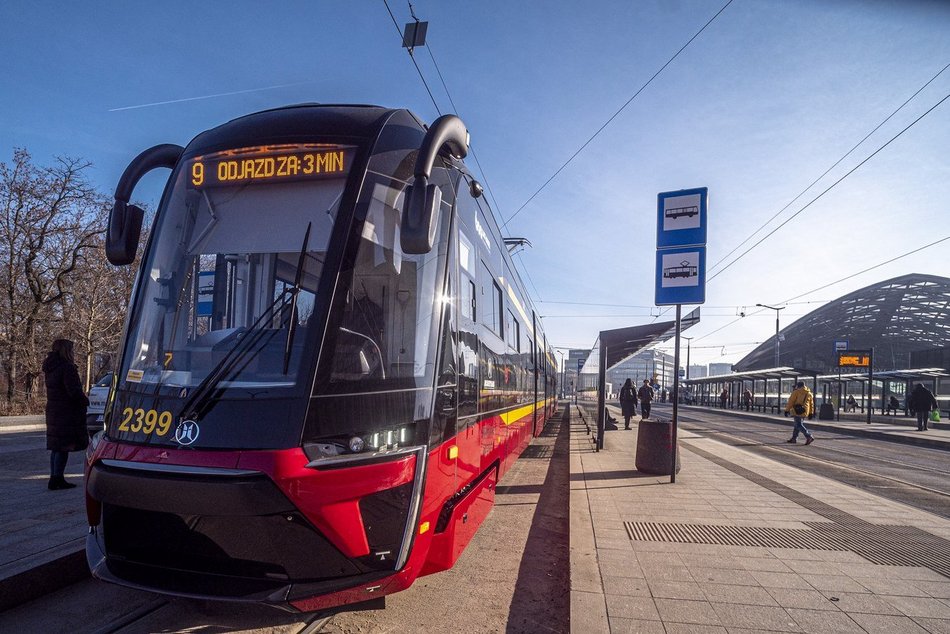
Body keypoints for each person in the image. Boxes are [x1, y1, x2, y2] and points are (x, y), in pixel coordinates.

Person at [42, 339, 89, 490]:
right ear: (66, 351)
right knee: (63, 446)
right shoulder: (67, 368)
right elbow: (73, 391)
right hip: (66, 412)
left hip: (54, 410)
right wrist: (84, 401)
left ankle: (54, 477)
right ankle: (58, 479)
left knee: (56, 447)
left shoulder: (50, 367)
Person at [784, 380, 815, 445]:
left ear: (798, 386)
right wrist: (811, 413)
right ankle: (794, 438)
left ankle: (808, 436)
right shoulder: (809, 393)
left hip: (797, 410)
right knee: (797, 425)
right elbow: (811, 404)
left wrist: (787, 410)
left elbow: (791, 401)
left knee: (798, 425)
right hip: (805, 411)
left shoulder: (796, 392)